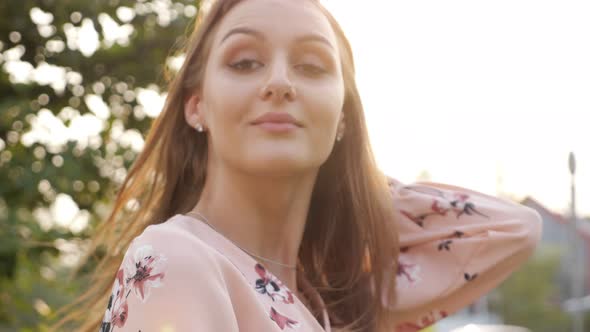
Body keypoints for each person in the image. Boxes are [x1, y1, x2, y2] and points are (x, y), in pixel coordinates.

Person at [61, 0, 542, 331]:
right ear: (197, 105)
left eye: (311, 66)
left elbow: (513, 229)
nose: (279, 83)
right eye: (245, 62)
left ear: (343, 118)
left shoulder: (328, 302)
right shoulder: (177, 260)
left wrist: (356, 197)